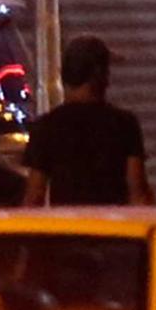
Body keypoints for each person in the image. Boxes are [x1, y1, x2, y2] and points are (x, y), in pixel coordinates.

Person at [21, 35, 148, 207]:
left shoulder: (45, 127)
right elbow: (138, 191)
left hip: (69, 223)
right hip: (113, 222)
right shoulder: (124, 123)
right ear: (98, 74)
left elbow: (35, 196)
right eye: (107, 70)